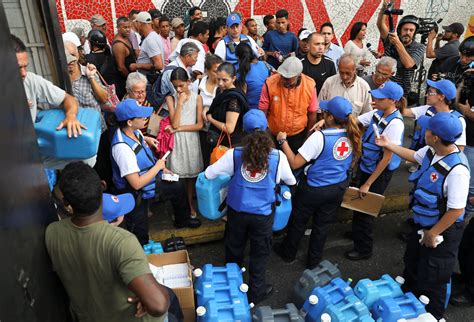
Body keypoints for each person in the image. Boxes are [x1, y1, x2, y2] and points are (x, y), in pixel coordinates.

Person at [45, 162, 170, 322]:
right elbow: (158, 305)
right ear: (102, 186)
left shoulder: (52, 232)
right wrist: (152, 293)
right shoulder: (122, 242)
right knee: (170, 298)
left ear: (67, 203)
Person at [375, 112, 469, 319]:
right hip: (422, 224)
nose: (423, 131)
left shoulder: (458, 170)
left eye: (427, 129)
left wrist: (432, 234)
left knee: (433, 279)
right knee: (413, 263)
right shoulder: (431, 150)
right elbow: (413, 155)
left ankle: (431, 315)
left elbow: (456, 210)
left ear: (435, 136)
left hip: (441, 231)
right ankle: (408, 304)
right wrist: (388, 144)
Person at [204, 109, 296, 304]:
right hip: (262, 215)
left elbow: (210, 173)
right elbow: (290, 180)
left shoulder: (234, 154)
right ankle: (256, 291)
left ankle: (231, 287)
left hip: (237, 212)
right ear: (266, 130)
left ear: (243, 131)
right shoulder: (278, 156)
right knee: (259, 253)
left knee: (234, 248)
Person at [274, 96, 362, 269]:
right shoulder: (353, 135)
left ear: (329, 117)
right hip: (337, 187)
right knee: (322, 226)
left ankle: (288, 253)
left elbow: (294, 163)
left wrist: (282, 141)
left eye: (325, 112)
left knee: (298, 222)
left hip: (313, 189)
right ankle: (313, 262)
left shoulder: (319, 138)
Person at [111, 99, 201, 245]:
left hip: (150, 178)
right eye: (141, 117)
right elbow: (136, 183)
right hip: (135, 193)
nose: (145, 118)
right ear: (129, 122)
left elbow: (138, 143)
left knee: (177, 187)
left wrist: (146, 139)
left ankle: (182, 220)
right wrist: (159, 167)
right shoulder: (122, 149)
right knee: (139, 232)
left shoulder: (134, 131)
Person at [345, 81, 405, 260]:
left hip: (378, 172)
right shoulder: (377, 112)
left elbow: (386, 158)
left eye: (380, 97)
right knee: (359, 204)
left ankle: (363, 249)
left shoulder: (395, 124)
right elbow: (356, 121)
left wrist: (368, 183)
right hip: (367, 165)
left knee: (366, 209)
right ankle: (357, 233)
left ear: (392, 101)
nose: (375, 99)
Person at [165, 67, 204, 218]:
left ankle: (189, 204)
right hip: (177, 142)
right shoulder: (171, 99)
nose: (179, 89)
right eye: (175, 86)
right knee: (177, 178)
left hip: (191, 140)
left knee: (190, 178)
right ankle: (178, 208)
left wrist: (179, 129)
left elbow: (199, 125)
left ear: (189, 82)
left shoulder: (197, 98)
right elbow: (174, 124)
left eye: (181, 85)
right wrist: (179, 103)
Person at [259, 57, 318, 153]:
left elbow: (312, 114)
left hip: (297, 137)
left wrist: (307, 140)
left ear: (298, 76)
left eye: (288, 79)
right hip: (272, 136)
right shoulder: (269, 83)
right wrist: (267, 137)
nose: (283, 80)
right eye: (282, 76)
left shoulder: (310, 85)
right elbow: (262, 113)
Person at [377, 0, 426, 96]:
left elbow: (409, 64)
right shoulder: (390, 40)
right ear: (400, 30)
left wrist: (397, 43)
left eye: (411, 30)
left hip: (401, 91)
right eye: (405, 29)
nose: (408, 32)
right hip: (382, 86)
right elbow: (380, 25)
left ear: (415, 32)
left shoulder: (419, 47)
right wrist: (383, 9)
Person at [403, 79, 466, 152]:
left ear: (441, 97)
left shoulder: (458, 120)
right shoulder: (428, 109)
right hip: (423, 157)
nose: (426, 95)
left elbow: (460, 148)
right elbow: (405, 112)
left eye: (430, 92)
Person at [206, 63, 249, 148]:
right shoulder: (220, 91)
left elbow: (229, 128)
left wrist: (210, 119)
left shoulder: (234, 99)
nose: (221, 83)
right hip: (216, 140)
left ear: (233, 79)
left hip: (230, 144)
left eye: (225, 80)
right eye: (218, 79)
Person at [192, 55, 223, 167]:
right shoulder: (198, 84)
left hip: (219, 131)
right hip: (202, 131)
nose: (219, 74)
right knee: (204, 161)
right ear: (207, 71)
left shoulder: (223, 85)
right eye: (215, 71)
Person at [66, 50, 108, 133]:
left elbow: (104, 98)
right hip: (77, 130)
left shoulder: (88, 71)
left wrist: (91, 77)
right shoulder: (61, 78)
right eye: (68, 59)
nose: (71, 62)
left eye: (73, 56)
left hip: (97, 129)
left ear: (78, 55)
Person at [160, 42, 200, 113]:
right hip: (170, 111)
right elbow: (178, 94)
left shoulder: (186, 68)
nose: (196, 60)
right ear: (187, 56)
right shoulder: (172, 71)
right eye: (195, 57)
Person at [235, 43, 271, 110]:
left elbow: (240, 99)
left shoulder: (238, 71)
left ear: (237, 57)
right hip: (268, 107)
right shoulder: (264, 64)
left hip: (250, 110)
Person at [110, 16, 137, 99]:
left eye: (129, 27)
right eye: (125, 27)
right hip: (123, 83)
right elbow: (121, 67)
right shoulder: (119, 45)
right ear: (118, 28)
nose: (128, 29)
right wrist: (130, 80)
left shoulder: (126, 37)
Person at [130, 11, 164, 76]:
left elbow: (159, 65)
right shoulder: (154, 36)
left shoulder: (150, 40)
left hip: (149, 79)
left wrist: (137, 66)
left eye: (136, 23)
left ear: (140, 24)